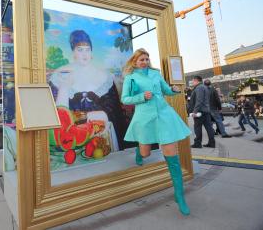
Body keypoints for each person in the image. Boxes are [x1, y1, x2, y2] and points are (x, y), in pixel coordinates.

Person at [121, 48, 190, 216]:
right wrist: (141, 97)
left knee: (173, 159)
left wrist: (173, 90)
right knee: (146, 154)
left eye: (146, 59)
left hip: (165, 115)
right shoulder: (130, 78)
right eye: (141, 59)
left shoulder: (155, 74)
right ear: (135, 62)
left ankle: (179, 196)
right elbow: (125, 99)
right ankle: (140, 151)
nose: (145, 62)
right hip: (144, 118)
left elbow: (166, 90)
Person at [49, 30, 130, 150]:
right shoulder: (60, 74)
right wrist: (64, 88)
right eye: (80, 50)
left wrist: (104, 114)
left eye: (87, 49)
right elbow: (56, 111)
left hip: (101, 132)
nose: (84, 54)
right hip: (71, 137)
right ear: (73, 52)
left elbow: (114, 106)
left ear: (91, 52)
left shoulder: (104, 76)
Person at [188, 76, 216, 148]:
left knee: (197, 127)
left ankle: (197, 143)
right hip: (206, 110)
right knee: (209, 127)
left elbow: (199, 100)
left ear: (196, 80)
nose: (192, 82)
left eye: (193, 81)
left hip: (200, 112)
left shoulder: (199, 88)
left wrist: (195, 111)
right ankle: (212, 143)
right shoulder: (205, 87)